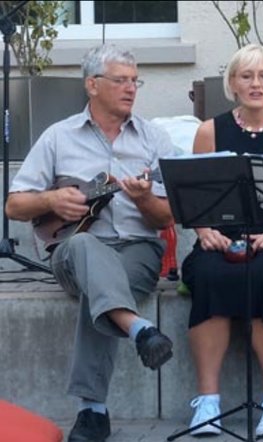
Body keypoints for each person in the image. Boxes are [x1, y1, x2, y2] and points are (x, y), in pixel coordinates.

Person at [5, 44, 175, 442]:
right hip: (72, 250)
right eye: (121, 80)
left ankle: (93, 413)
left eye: (135, 81)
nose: (131, 88)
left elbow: (166, 217)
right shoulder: (58, 136)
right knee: (86, 250)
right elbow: (14, 205)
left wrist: (144, 198)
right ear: (92, 85)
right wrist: (50, 199)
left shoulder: (155, 139)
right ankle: (140, 330)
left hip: (138, 251)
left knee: (100, 290)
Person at [181, 44, 263, 437]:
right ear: (232, 84)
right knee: (206, 272)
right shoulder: (209, 131)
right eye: (246, 76)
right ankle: (207, 401)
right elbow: (196, 199)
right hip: (220, 241)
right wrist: (206, 232)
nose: (255, 84)